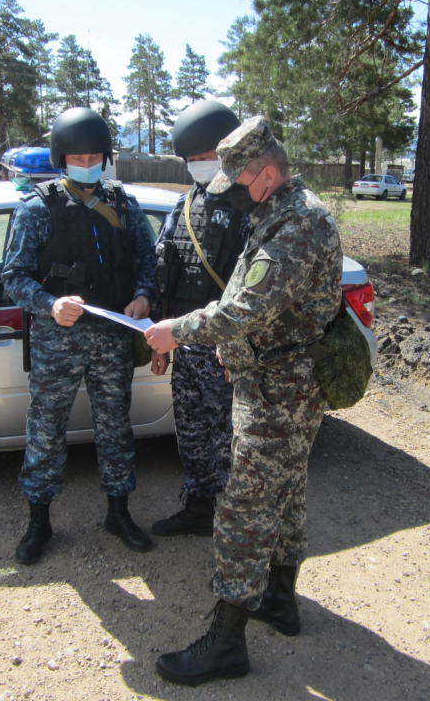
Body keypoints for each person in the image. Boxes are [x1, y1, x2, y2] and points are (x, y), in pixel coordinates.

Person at [145, 116, 343, 686]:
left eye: (239, 181)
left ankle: (226, 642)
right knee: (284, 493)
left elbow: (243, 311)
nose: (231, 191)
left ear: (268, 173)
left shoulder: (299, 226)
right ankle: (279, 602)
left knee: (243, 508)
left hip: (281, 389)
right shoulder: (275, 212)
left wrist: (175, 331)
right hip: (277, 381)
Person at [1, 107, 157, 565]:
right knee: (45, 430)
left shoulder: (124, 206)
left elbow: (149, 262)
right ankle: (39, 521)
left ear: (105, 157)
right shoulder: (36, 209)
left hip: (112, 336)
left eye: (94, 155)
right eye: (76, 155)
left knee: (115, 428)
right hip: (57, 343)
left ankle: (118, 512)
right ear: (61, 158)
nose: (86, 162)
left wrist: (144, 297)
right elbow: (13, 277)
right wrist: (50, 304)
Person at [149, 100, 249, 537]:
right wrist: (159, 337)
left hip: (229, 350)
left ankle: (233, 520)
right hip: (186, 345)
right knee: (191, 435)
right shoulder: (183, 207)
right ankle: (199, 506)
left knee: (231, 440)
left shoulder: (251, 209)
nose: (199, 167)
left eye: (206, 157)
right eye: (191, 160)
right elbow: (164, 268)